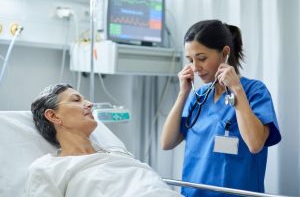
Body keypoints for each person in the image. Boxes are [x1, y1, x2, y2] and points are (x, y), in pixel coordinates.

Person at [160, 19, 281, 197]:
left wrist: (237, 89)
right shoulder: (198, 96)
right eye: (190, 60)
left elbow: (255, 144)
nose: (195, 68)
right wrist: (182, 94)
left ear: (224, 53)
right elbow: (167, 143)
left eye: (201, 58)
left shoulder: (255, 91)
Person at [26, 83, 182, 197]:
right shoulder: (48, 168)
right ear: (53, 116)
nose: (90, 104)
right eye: (76, 100)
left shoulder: (118, 154)